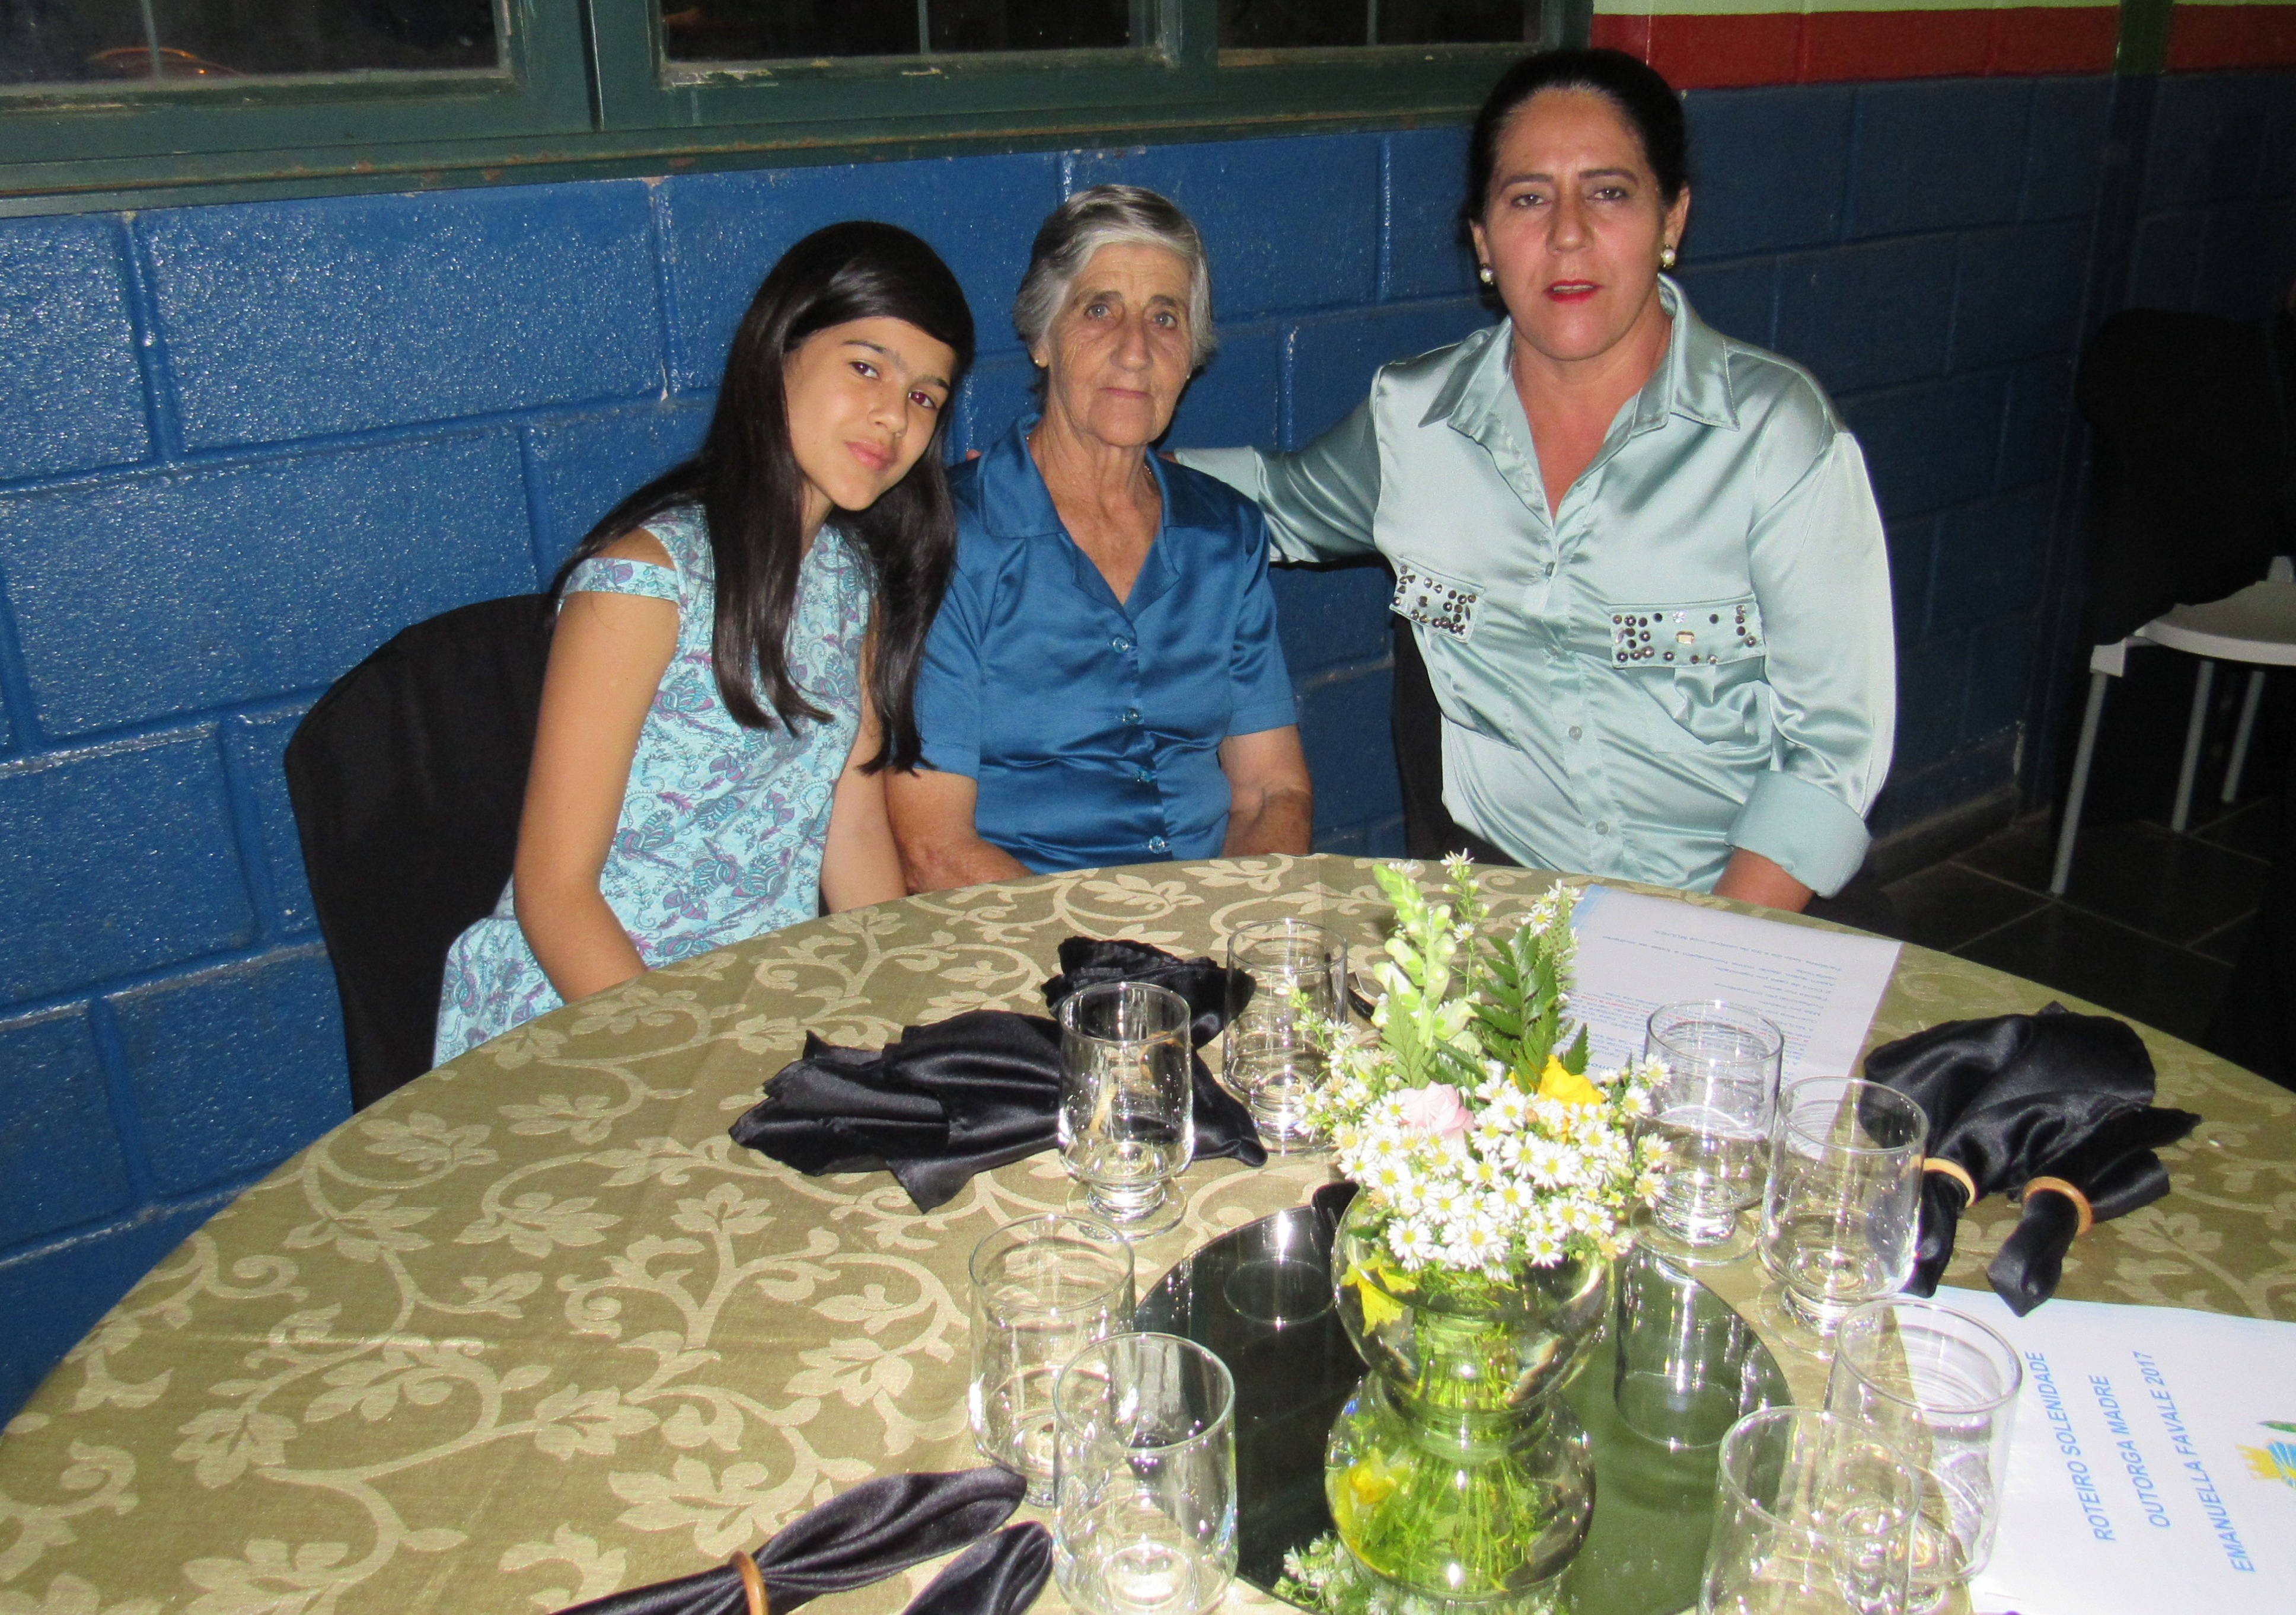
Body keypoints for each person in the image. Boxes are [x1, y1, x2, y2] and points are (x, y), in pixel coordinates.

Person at [1179, 50, 1893, 915]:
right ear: (1482, 239)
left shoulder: (1773, 433)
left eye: (1608, 192)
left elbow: (1832, 750)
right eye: (1527, 198)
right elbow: (1272, 500)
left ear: (1672, 218)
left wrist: (1706, 949)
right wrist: (1087, 458)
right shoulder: (1414, 421)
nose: (1567, 234)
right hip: (1515, 921)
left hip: (1746, 908)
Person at [434, 221, 975, 1059]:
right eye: (866, 367)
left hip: (751, 1008)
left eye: (924, 398)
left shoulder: (849, 584)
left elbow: (854, 832)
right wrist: (685, 1069)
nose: (892, 417)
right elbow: (555, 893)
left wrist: (904, 1009)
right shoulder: (643, 583)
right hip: (589, 1011)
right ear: (779, 354)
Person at [887, 186, 1312, 885]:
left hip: (1203, 918)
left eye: (1165, 318)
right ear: (1041, 338)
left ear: (1191, 353)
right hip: (1019, 928)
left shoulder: (1223, 534)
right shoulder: (949, 538)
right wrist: (1114, 951)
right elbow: (933, 848)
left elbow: (1272, 792)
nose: (1135, 351)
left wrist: (1224, 921)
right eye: (1098, 310)